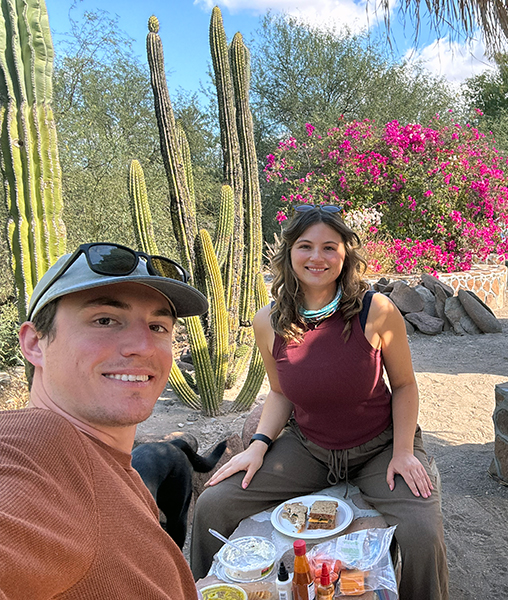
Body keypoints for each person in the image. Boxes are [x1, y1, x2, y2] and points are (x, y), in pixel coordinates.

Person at [191, 205, 449, 599]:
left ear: (345, 255)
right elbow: (279, 392)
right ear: (289, 253)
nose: (317, 257)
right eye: (305, 246)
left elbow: (405, 386)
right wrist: (258, 446)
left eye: (329, 247)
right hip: (308, 449)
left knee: (422, 533)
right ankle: (203, 591)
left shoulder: (375, 311)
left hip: (379, 447)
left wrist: (402, 452)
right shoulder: (269, 322)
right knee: (213, 504)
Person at [0, 243, 208, 599]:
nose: (142, 345)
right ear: (35, 343)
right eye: (105, 320)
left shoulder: (106, 463)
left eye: (158, 326)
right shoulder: (32, 454)